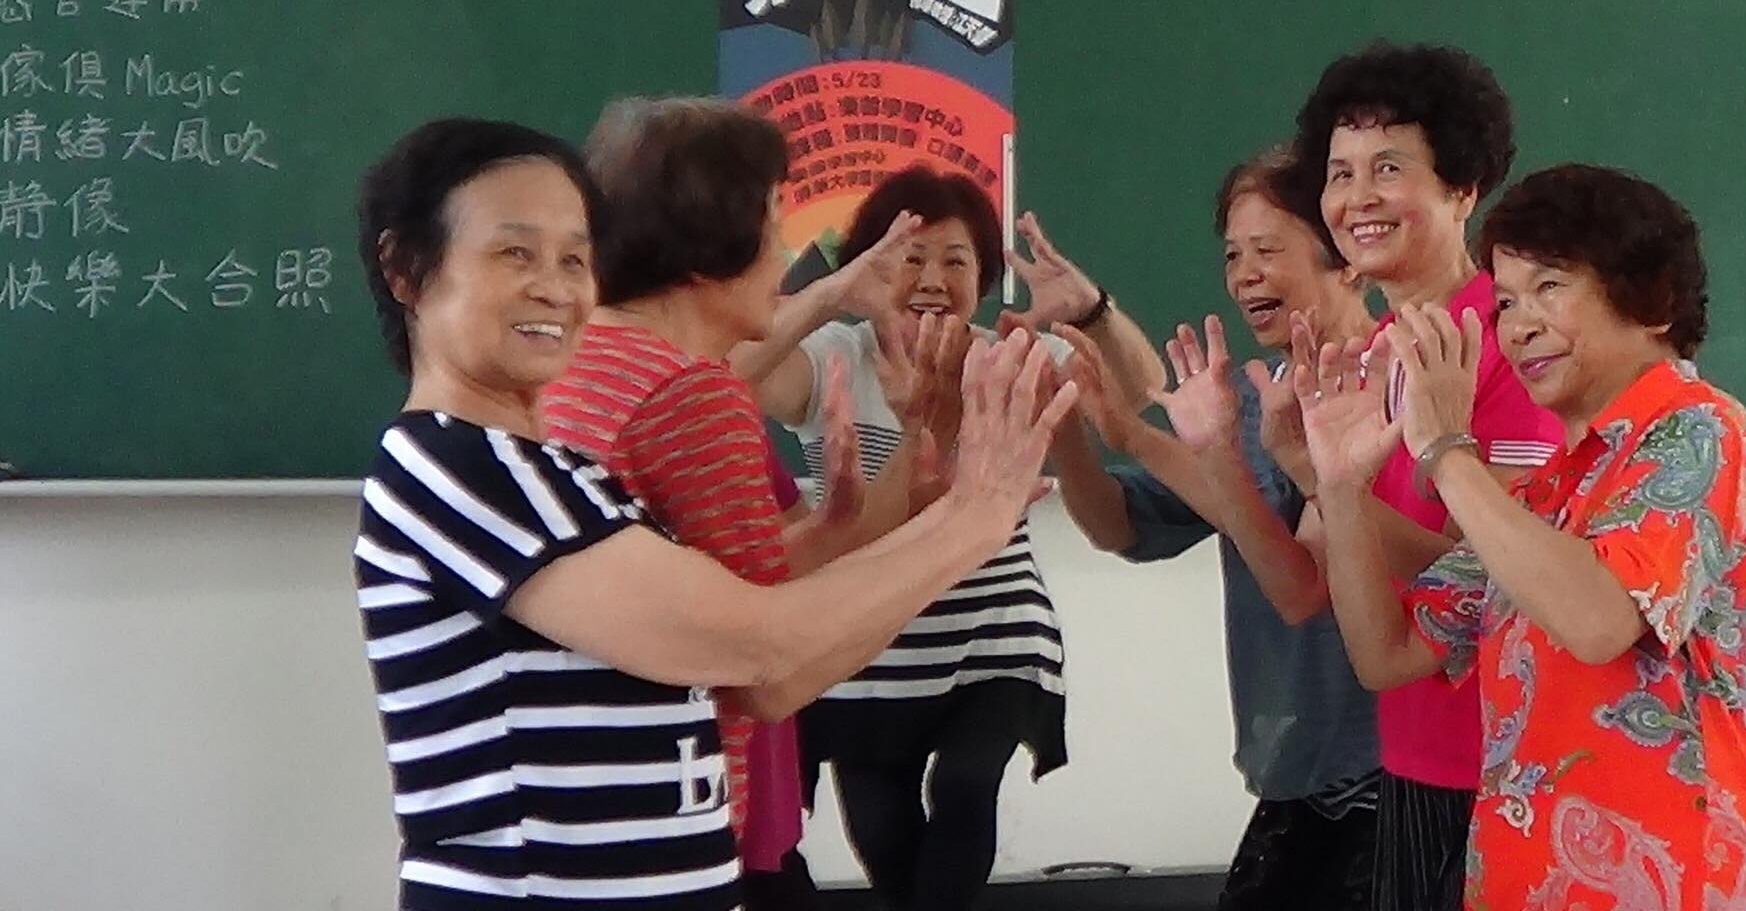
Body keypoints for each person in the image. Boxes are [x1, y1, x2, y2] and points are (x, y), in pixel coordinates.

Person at [351, 117, 1073, 911]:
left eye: (575, 258)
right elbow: (761, 653)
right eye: (515, 254)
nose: (556, 288)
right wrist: (970, 520)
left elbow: (742, 619)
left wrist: (930, 517)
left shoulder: (554, 471)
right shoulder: (459, 470)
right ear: (407, 269)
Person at [1296, 163, 1746, 911]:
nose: (1518, 325)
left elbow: (1597, 621)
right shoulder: (1546, 490)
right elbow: (1387, 654)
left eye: (1550, 287)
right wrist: (1338, 486)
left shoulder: (1701, 432)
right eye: (1504, 300)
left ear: (1653, 300)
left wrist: (1446, 450)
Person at [538, 98, 938, 906]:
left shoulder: (574, 362)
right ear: (710, 240)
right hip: (659, 833)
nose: (785, 255)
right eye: (775, 221)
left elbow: (704, 589)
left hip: (566, 817)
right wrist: (967, 523)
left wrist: (830, 532)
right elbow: (767, 666)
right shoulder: (689, 394)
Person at [741, 165, 1165, 911]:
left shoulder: (1010, 355)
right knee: (878, 816)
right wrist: (826, 297)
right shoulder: (834, 354)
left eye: (956, 261)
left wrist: (1094, 311)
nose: (934, 280)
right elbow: (730, 374)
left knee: (966, 782)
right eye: (912, 258)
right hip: (866, 630)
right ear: (871, 268)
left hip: (993, 628)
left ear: (984, 278)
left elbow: (1140, 388)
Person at [1048, 149, 1388, 909]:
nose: (1245, 276)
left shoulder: (1383, 384)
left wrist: (1137, 436)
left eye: (1268, 250)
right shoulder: (1244, 394)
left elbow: (1300, 586)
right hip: (1297, 766)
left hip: (1386, 767)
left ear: (1347, 260)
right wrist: (1066, 426)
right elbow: (1117, 527)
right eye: (1234, 255)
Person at [1284, 41, 1566, 909]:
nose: (1358, 198)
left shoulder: (1511, 341)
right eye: (1340, 173)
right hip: (1410, 752)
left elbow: (1495, 578)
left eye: (1389, 167)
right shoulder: (1375, 351)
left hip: (1505, 764)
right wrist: (1306, 471)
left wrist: (1334, 486)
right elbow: (1324, 563)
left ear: (1463, 188)